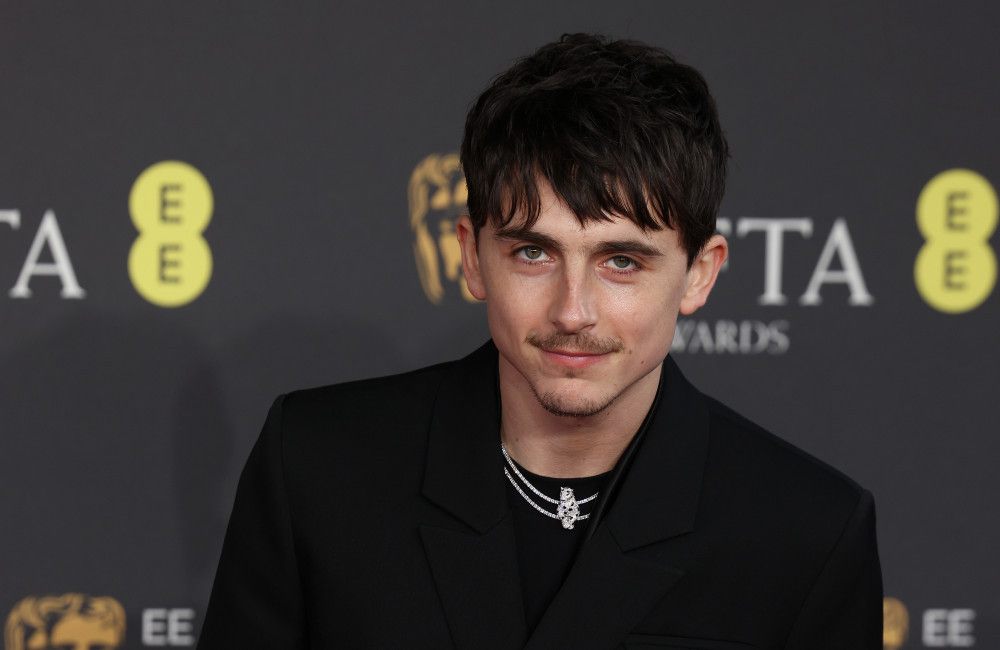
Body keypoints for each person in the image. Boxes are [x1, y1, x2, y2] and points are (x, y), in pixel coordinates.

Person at [197, 33, 883, 649]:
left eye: (622, 261)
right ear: (472, 258)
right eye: (533, 253)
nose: (572, 311)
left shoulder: (807, 531)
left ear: (699, 274)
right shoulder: (317, 467)